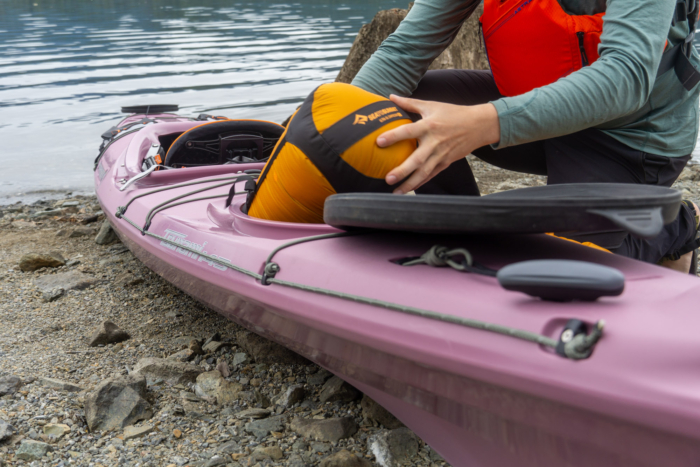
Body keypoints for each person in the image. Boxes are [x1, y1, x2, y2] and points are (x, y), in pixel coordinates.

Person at [351, 0, 700, 273]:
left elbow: (626, 76)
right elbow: (403, 51)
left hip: (629, 136)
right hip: (542, 115)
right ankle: (460, 241)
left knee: (566, 267)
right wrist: (331, 123)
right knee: (405, 106)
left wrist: (481, 123)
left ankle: (678, 227)